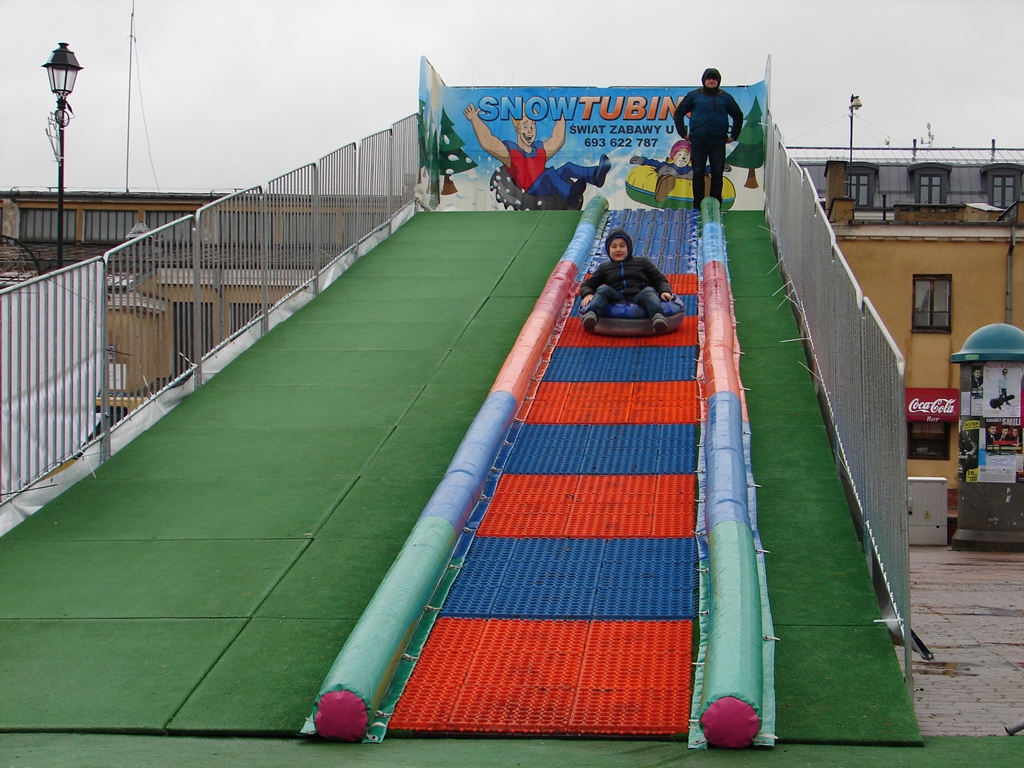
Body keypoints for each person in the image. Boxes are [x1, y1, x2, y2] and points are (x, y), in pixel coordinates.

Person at [463, 104, 610, 209]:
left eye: (532, 126)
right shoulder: (511, 152)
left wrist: (562, 115)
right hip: (532, 190)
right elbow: (488, 140)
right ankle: (569, 196)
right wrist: (474, 119)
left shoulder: (538, 149)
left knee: (567, 167)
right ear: (517, 128)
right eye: (525, 126)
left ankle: (595, 175)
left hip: (547, 186)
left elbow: (557, 139)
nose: (530, 130)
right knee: (550, 174)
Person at [673, 68, 744, 211]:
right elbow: (679, 112)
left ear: (718, 81)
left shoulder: (725, 97)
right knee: (698, 173)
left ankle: (716, 205)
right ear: (704, 80)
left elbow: (738, 115)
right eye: (708, 78)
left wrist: (733, 136)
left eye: (714, 79)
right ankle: (697, 205)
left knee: (717, 173)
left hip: (718, 142)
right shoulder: (694, 96)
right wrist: (684, 133)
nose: (711, 81)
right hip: (698, 141)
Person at [579, 228, 675, 333]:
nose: (618, 250)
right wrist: (588, 294)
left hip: (639, 295)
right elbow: (588, 284)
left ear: (629, 248)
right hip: (616, 297)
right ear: (608, 250)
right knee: (603, 289)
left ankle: (658, 317)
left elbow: (659, 279)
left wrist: (664, 291)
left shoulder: (642, 262)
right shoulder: (604, 268)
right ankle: (592, 314)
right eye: (614, 246)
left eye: (622, 246)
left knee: (649, 291)